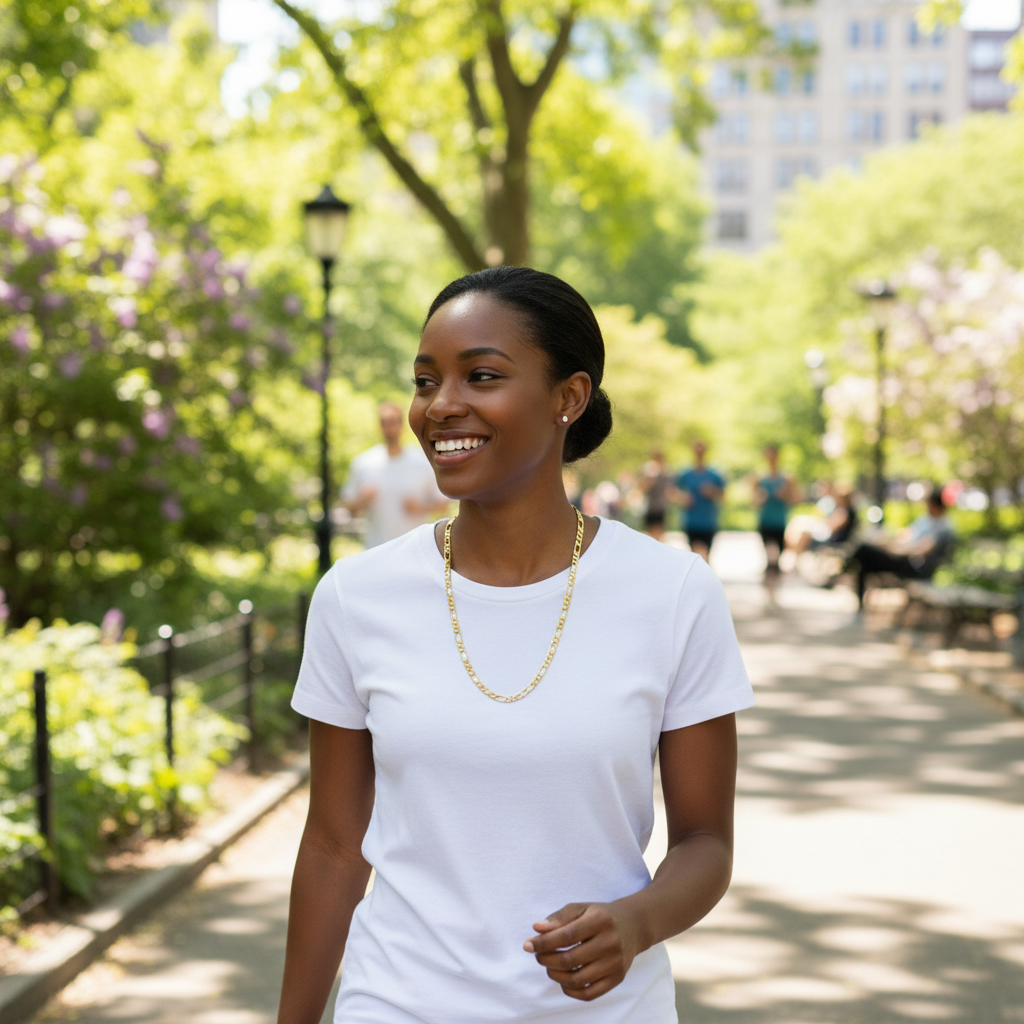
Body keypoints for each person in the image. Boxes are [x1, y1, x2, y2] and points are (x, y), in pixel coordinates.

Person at [280, 267, 754, 1024]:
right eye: (426, 380)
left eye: (482, 376)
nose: (441, 405)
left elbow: (705, 841)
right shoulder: (356, 596)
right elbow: (334, 847)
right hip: (397, 1002)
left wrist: (635, 923)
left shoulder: (672, 592)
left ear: (569, 396)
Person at [342, 400, 448, 547]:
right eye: (384, 422)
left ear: (402, 425)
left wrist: (420, 507)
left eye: (393, 422)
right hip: (376, 549)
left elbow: (444, 504)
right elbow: (349, 508)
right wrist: (362, 500)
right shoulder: (363, 463)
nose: (389, 427)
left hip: (415, 548)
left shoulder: (422, 461)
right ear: (379, 427)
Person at [847, 491, 955, 609]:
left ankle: (846, 563)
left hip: (915, 566)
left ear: (935, 506)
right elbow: (904, 537)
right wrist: (887, 543)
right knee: (866, 561)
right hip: (903, 557)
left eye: (928, 505)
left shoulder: (943, 527)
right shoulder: (926, 520)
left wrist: (895, 550)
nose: (926, 508)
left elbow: (921, 549)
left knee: (864, 550)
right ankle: (859, 602)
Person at [672, 441, 725, 561]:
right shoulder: (685, 474)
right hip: (691, 521)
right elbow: (672, 492)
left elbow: (723, 496)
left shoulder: (714, 475)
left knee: (705, 555)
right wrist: (682, 498)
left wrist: (712, 492)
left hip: (708, 521)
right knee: (696, 555)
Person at [753, 444, 797, 581]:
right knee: (770, 555)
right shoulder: (760, 479)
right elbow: (753, 502)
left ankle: (773, 582)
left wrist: (785, 494)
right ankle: (770, 583)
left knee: (776, 556)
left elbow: (796, 499)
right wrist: (760, 498)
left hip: (780, 522)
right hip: (765, 521)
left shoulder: (786, 479)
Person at [638, 450, 672, 541]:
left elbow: (669, 490)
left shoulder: (666, 473)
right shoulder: (648, 470)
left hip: (660, 507)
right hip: (650, 507)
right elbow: (642, 488)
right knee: (651, 535)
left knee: (659, 534)